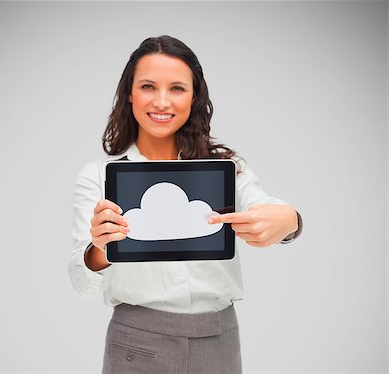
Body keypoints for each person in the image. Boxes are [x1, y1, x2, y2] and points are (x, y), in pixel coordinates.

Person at [69, 35, 303, 374]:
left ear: (194, 97)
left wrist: (290, 220)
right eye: (148, 86)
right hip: (137, 342)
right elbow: (80, 280)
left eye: (177, 88)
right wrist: (101, 249)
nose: (162, 101)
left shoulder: (227, 170)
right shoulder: (99, 176)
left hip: (219, 339)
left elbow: (266, 209)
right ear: (129, 94)